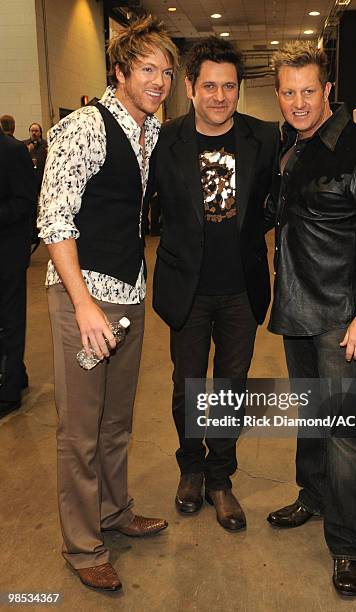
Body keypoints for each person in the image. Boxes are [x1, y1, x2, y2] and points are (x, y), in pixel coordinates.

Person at [37, 16, 179, 591]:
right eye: (148, 70)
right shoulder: (83, 128)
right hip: (86, 297)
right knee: (80, 430)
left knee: (116, 421)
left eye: (167, 72)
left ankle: (116, 513)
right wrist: (83, 305)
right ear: (119, 71)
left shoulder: (149, 130)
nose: (160, 81)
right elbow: (54, 219)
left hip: (129, 293)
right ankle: (81, 544)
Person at [265, 42, 356, 596]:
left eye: (308, 91)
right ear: (279, 95)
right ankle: (314, 495)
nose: (299, 102)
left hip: (341, 317)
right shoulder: (291, 146)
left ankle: (347, 545)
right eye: (289, 92)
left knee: (343, 430)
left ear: (328, 91)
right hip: (297, 310)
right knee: (310, 415)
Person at [150, 36, 280, 531]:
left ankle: (221, 478)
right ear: (190, 86)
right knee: (188, 388)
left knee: (230, 387)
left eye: (229, 86)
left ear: (239, 89)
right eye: (209, 86)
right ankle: (191, 468)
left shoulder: (264, 138)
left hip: (240, 292)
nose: (220, 96)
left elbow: (274, 202)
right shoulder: (165, 141)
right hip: (188, 290)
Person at [0, 129, 36, 418]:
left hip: (8, 254)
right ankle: (17, 373)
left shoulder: (12, 151)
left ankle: (9, 392)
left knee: (10, 322)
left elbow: (25, 202)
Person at [23, 123, 47, 250]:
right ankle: (33, 232)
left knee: (44, 205)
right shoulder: (24, 145)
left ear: (40, 132)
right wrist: (28, 151)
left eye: (36, 131)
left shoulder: (46, 145)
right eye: (32, 130)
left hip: (43, 180)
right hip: (30, 180)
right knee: (32, 206)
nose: (34, 133)